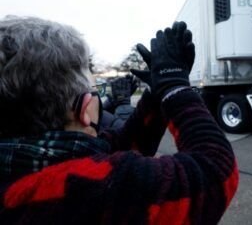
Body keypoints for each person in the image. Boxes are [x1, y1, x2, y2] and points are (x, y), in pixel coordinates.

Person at [0, 16, 238, 224]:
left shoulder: (21, 170)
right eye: (96, 90)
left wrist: (156, 95)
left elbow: (112, 148)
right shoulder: (87, 189)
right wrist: (175, 88)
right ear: (84, 109)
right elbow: (216, 170)